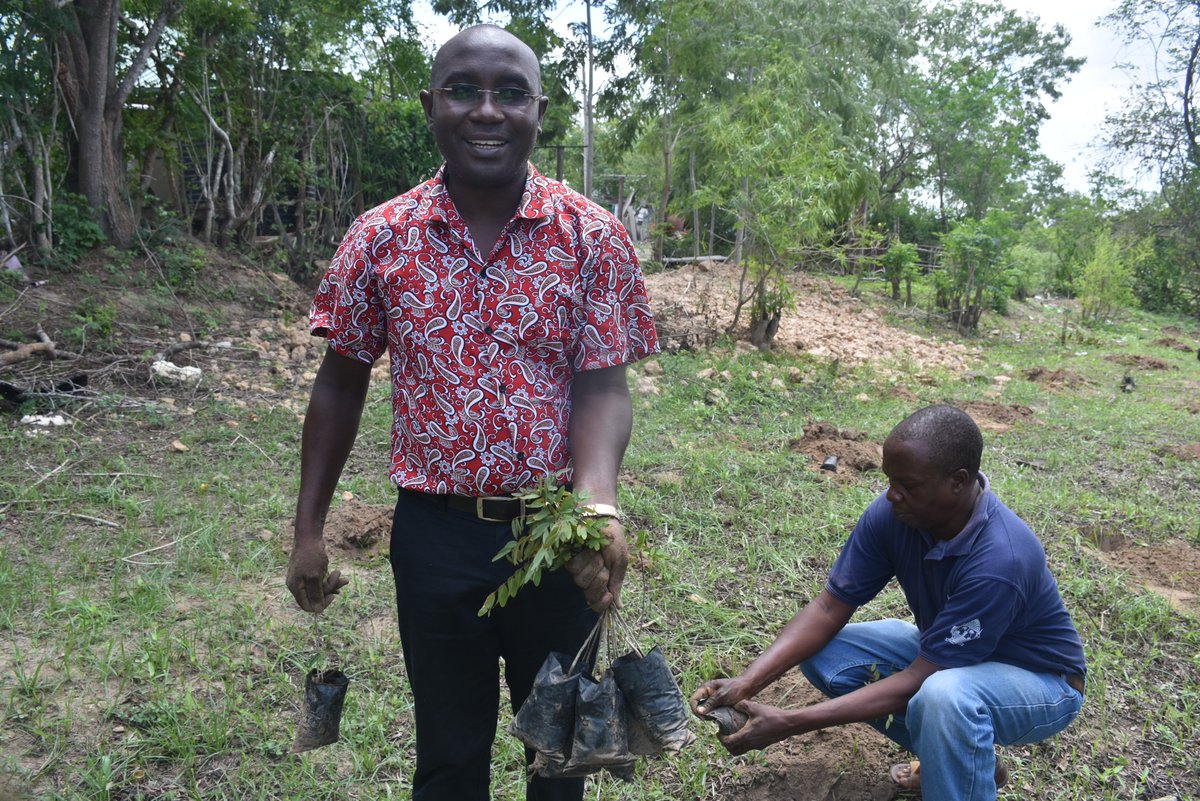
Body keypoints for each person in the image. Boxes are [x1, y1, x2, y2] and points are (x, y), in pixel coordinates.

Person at [285, 24, 659, 801]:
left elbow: (602, 387)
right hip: (435, 536)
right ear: (430, 106)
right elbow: (340, 381)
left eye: (510, 93)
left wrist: (598, 502)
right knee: (448, 756)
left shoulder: (593, 237)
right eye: (463, 89)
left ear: (539, 111)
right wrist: (308, 531)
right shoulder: (380, 237)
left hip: (556, 538)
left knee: (560, 755)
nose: (486, 110)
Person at [692, 405, 1085, 801]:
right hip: (950, 658)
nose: (893, 494)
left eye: (908, 485)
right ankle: (966, 760)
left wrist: (790, 723)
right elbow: (829, 608)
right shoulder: (895, 514)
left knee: (944, 697)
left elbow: (920, 680)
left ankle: (960, 764)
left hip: (1041, 682)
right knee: (828, 654)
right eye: (890, 480)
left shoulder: (1001, 559)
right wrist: (748, 681)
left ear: (957, 482)